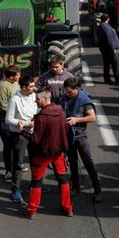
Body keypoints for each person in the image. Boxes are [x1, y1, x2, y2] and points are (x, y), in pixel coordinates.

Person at [21, 87, 73, 219]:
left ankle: (32, 210)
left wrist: (22, 131)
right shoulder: (61, 111)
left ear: (45, 99)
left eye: (37, 99)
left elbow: (35, 139)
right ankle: (68, 207)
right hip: (58, 153)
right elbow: (65, 128)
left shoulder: (41, 117)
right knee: (63, 179)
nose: (36, 102)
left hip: (42, 155)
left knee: (36, 182)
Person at [61, 77, 103, 202]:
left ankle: (97, 189)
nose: (67, 94)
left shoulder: (84, 100)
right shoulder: (63, 98)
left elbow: (92, 117)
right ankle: (75, 186)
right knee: (72, 163)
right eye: (65, 91)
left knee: (88, 163)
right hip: (69, 136)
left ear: (76, 89)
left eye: (69, 92)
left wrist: (77, 120)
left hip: (81, 136)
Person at [4, 75, 39, 204]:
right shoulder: (15, 100)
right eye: (31, 86)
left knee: (35, 160)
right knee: (18, 163)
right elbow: (8, 119)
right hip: (20, 134)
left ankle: (35, 185)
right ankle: (15, 189)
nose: (34, 88)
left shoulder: (34, 96)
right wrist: (23, 123)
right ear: (24, 87)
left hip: (34, 133)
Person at [0, 66, 20, 183]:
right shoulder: (2, 87)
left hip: (15, 119)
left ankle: (16, 166)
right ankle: (9, 171)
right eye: (18, 75)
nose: (20, 77)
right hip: (4, 121)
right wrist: (17, 115)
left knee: (16, 144)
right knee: (9, 145)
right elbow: (2, 106)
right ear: (12, 76)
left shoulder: (15, 84)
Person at [97, 13, 119, 85]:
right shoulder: (106, 28)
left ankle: (107, 79)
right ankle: (118, 80)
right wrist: (113, 48)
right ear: (107, 19)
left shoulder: (101, 26)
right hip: (110, 50)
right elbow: (109, 39)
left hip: (105, 49)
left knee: (106, 64)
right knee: (115, 65)